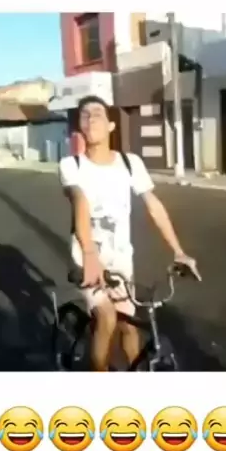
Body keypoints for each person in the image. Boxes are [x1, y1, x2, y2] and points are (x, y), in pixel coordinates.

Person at [59, 95, 200, 371]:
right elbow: (80, 200)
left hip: (122, 259)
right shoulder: (71, 165)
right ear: (79, 127)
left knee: (129, 325)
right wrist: (89, 254)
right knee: (107, 317)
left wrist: (179, 252)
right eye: (85, 115)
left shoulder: (129, 162)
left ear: (111, 125)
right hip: (87, 257)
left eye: (97, 113)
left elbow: (154, 206)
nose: (91, 118)